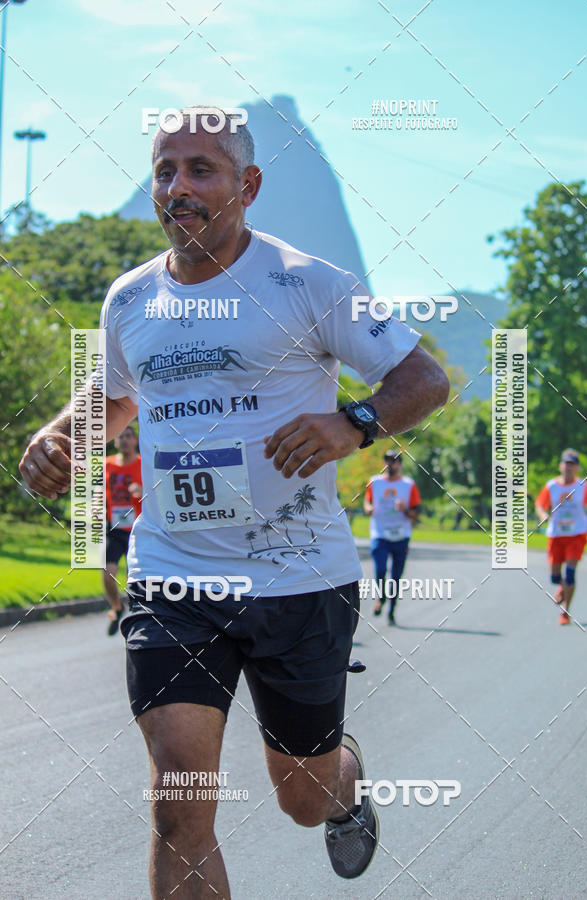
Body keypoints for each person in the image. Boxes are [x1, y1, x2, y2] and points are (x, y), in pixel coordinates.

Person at [18, 106, 449, 899]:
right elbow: (112, 398)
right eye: (163, 171)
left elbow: (424, 379)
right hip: (174, 580)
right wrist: (60, 437)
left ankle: (343, 784)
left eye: (200, 170)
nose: (176, 187)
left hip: (298, 581)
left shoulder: (309, 283)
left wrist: (353, 422)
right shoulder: (130, 299)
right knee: (179, 805)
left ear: (247, 185)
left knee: (303, 795)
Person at [535, 448, 587, 625]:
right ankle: (561, 586)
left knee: (570, 572)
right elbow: (540, 504)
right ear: (560, 466)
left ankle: (565, 612)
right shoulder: (551, 486)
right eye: (566, 464)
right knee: (555, 577)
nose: (568, 468)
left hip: (576, 534)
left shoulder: (582, 486)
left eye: (572, 465)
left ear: (577, 468)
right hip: (556, 535)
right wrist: (543, 515)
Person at [364, 450, 421, 625]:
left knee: (396, 576)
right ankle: (381, 597)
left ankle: (392, 609)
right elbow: (367, 502)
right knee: (380, 569)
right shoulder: (375, 482)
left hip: (401, 535)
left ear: (400, 464)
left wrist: (404, 509)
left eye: (395, 460)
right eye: (388, 459)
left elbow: (416, 514)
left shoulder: (408, 485)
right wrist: (368, 509)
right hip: (380, 534)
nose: (391, 463)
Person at [104, 425, 142, 636]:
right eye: (121, 436)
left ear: (135, 441)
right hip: (115, 529)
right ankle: (116, 608)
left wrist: (142, 491)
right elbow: (96, 490)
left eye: (129, 436)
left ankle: (136, 613)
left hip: (137, 529)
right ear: (115, 441)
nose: (125, 440)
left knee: (132, 576)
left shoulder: (143, 465)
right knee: (107, 574)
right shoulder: (106, 464)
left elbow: (158, 495)